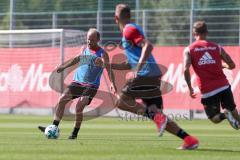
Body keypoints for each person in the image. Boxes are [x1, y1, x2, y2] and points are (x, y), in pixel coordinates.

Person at [112, 4, 199, 150]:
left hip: (145, 74)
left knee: (121, 101)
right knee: (157, 115)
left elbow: (148, 46)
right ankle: (189, 139)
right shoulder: (130, 31)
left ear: (116, 18)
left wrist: (138, 69)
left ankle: (159, 118)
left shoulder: (128, 29)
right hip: (152, 75)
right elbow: (132, 61)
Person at [38, 28, 117, 139]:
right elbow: (76, 59)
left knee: (80, 106)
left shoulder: (103, 54)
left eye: (92, 40)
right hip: (77, 82)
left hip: (91, 85)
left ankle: (74, 134)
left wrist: (112, 83)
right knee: (62, 100)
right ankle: (54, 127)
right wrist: (62, 67)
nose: (89, 42)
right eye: (88, 39)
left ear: (98, 40)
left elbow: (108, 69)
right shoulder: (84, 49)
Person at [183, 20, 240, 129]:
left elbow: (185, 69)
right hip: (224, 86)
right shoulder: (217, 47)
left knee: (214, 118)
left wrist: (190, 88)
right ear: (207, 32)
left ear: (194, 34)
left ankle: (225, 115)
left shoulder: (189, 50)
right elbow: (232, 65)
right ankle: (231, 116)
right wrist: (223, 65)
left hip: (208, 90)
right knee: (233, 110)